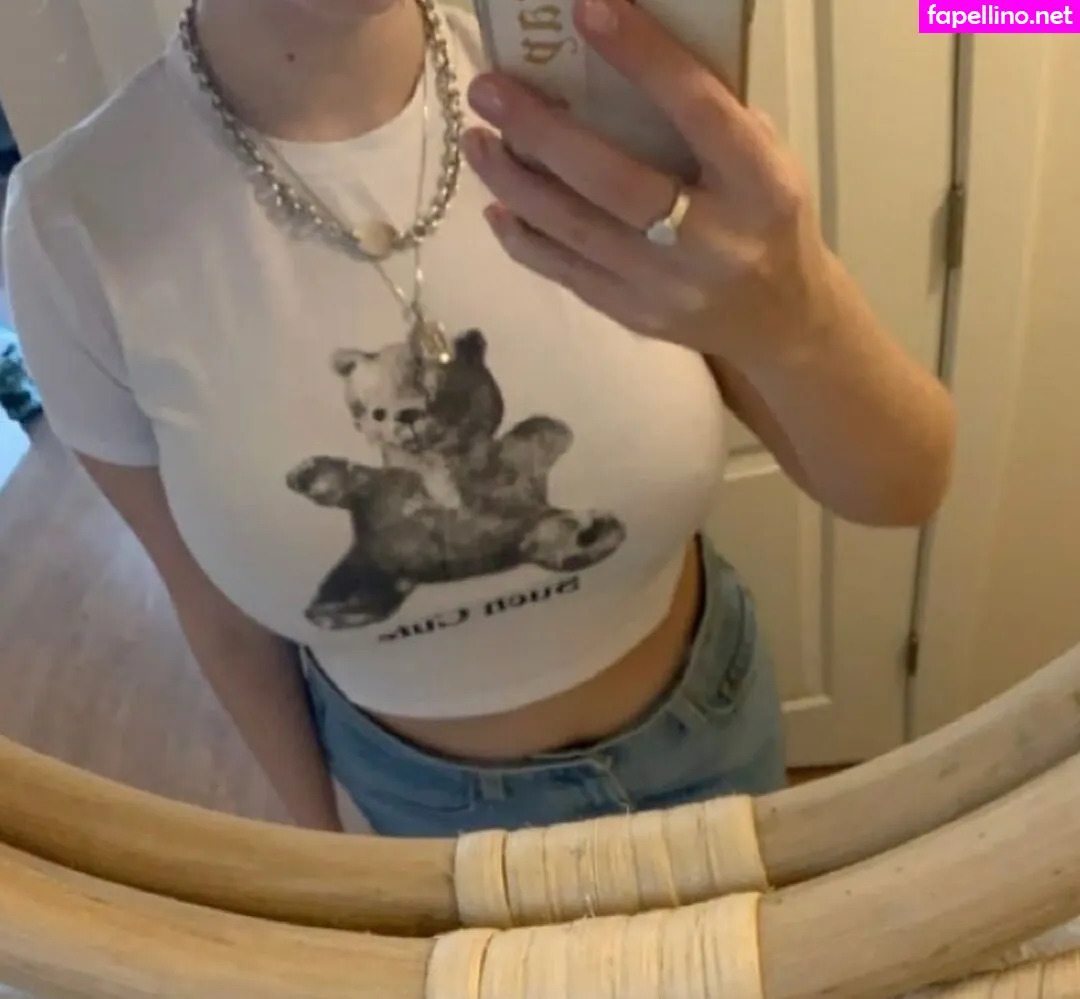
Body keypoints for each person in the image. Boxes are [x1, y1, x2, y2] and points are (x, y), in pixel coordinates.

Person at [1, 0, 955, 838]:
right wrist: (325, 843)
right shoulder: (69, 227)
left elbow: (905, 485)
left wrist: (798, 314)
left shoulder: (596, 104)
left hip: (712, 733)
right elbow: (218, 615)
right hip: (411, 810)